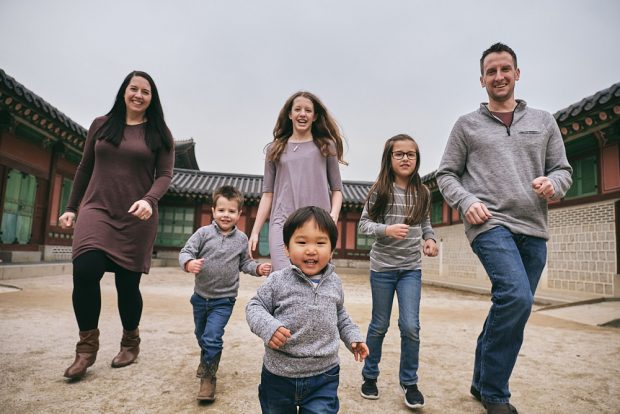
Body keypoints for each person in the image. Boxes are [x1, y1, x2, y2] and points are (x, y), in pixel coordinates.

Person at [436, 43, 572, 414]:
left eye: (505, 69)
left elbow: (563, 169)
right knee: (516, 297)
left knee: (512, 306)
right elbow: (446, 174)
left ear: (517, 73)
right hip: (490, 224)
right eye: (491, 71)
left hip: (534, 227)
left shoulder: (543, 121)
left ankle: (481, 381)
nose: (499, 76)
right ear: (481, 80)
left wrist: (554, 184)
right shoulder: (466, 125)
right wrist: (467, 202)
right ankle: (496, 394)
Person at [59, 70, 175, 380]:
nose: (138, 95)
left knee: (127, 285)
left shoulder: (159, 133)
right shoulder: (101, 125)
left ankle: (130, 341)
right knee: (85, 270)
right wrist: (72, 207)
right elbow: (85, 168)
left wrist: (149, 200)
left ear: (152, 98)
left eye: (145, 91)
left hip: (136, 216)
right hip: (96, 208)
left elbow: (165, 175)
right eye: (133, 88)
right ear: (124, 91)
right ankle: (85, 349)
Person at [246, 206, 369, 413]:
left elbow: (340, 314)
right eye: (302, 242)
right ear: (286, 248)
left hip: (324, 375)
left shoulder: (334, 282)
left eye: (320, 243)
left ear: (331, 250)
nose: (311, 250)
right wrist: (269, 327)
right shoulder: (278, 280)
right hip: (279, 375)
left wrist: (353, 337)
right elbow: (254, 306)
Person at [358, 134, 438, 409]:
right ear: (389, 159)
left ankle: (409, 382)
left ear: (417, 159)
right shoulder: (380, 190)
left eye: (411, 154)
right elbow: (363, 225)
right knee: (379, 325)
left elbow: (426, 224)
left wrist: (429, 240)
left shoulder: (424, 193)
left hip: (410, 269)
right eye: (399, 154)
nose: (406, 158)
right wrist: (386, 229)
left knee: (410, 326)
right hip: (382, 268)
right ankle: (370, 376)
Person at [179, 185, 271, 401]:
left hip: (224, 300)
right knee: (201, 336)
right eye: (221, 210)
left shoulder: (241, 239)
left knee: (212, 337)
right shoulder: (203, 234)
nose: (226, 215)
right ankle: (207, 358)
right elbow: (186, 252)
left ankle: (209, 378)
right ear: (213, 210)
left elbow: (245, 263)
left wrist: (257, 268)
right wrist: (189, 263)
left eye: (231, 211)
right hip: (200, 297)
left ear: (239, 214)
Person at [248, 91, 346, 271]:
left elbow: (337, 190)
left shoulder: (326, 146)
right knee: (283, 276)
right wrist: (255, 231)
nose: (303, 114)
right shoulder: (275, 149)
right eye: (298, 109)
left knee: (314, 278)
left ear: (315, 116)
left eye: (308, 110)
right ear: (290, 114)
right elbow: (267, 194)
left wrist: (333, 215)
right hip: (282, 223)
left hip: (317, 223)